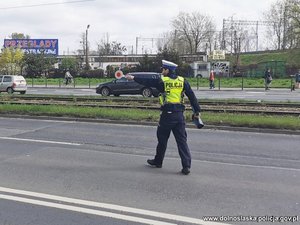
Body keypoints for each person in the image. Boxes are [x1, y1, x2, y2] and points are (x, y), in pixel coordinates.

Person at [125, 60, 201, 175]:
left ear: (167, 70)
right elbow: (192, 97)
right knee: (182, 141)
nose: (162, 71)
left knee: (162, 139)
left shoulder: (162, 81)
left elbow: (147, 81)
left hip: (167, 115)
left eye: (163, 69)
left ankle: (158, 161)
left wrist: (133, 77)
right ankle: (186, 166)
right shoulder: (182, 81)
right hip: (180, 115)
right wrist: (197, 111)